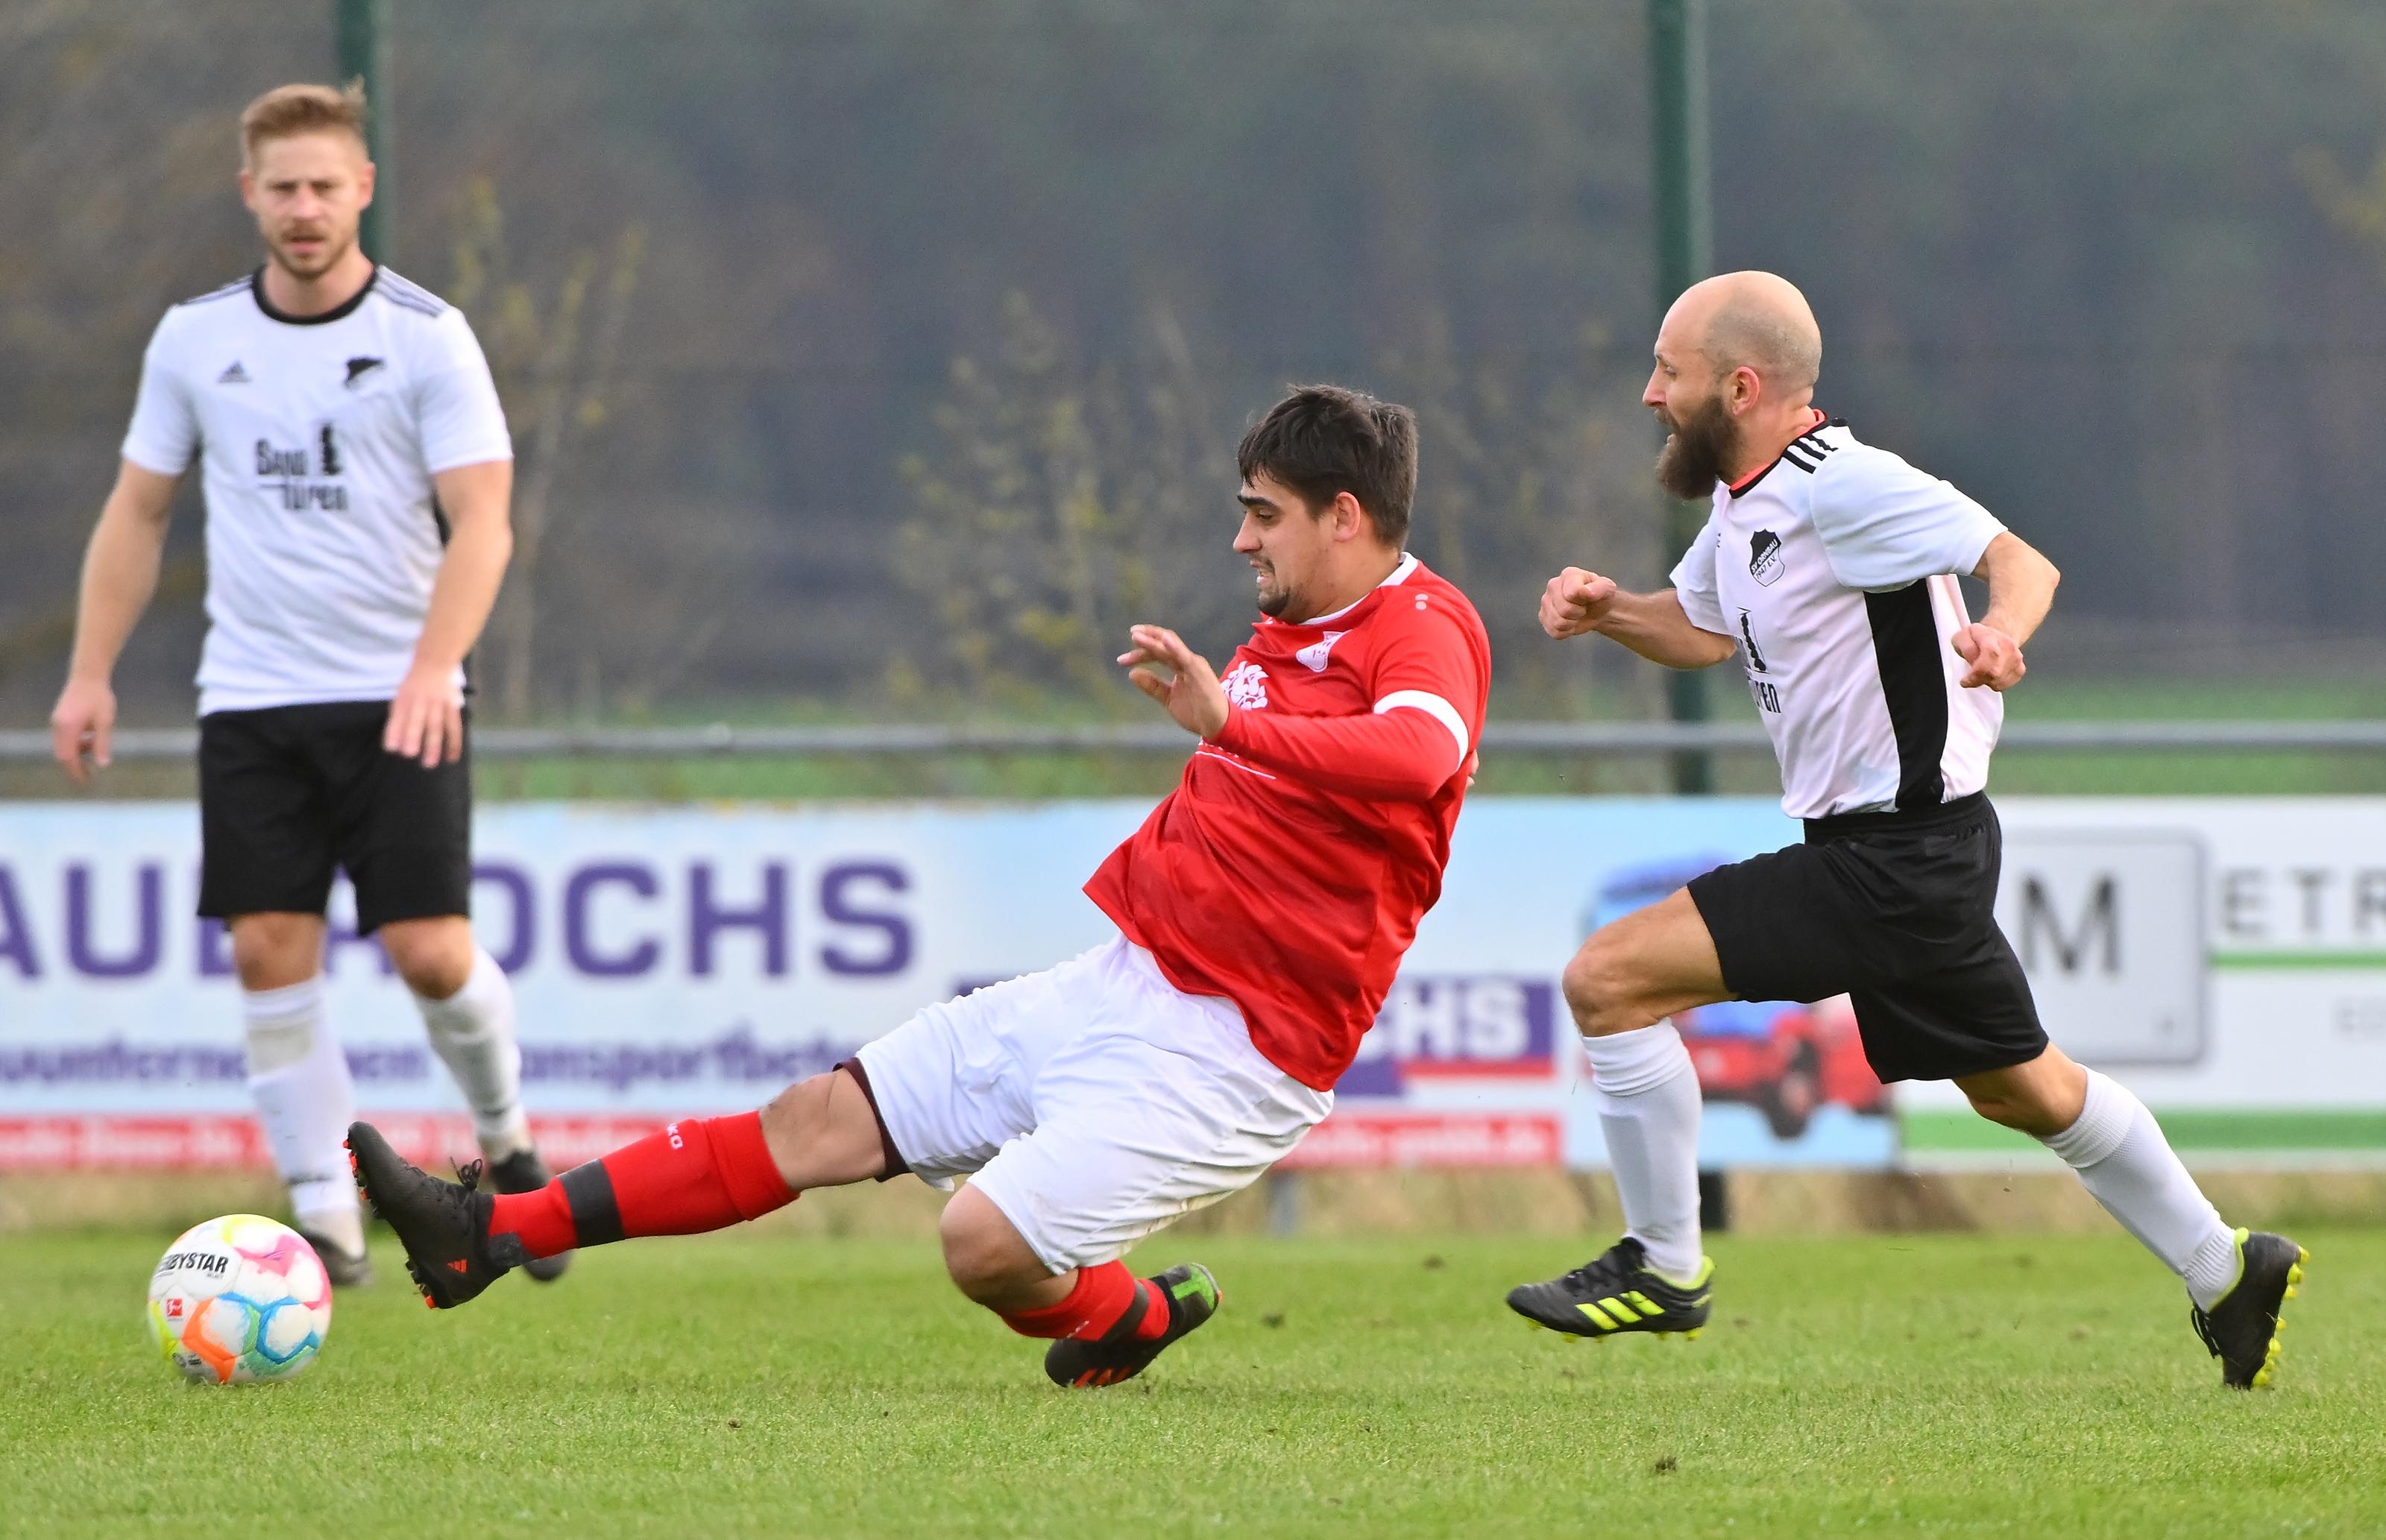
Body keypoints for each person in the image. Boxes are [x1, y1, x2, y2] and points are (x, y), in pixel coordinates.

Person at [347, 384, 1491, 1389]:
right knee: (815, 1116)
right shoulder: (1293, 621)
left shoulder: (1427, 629)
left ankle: (1129, 1312)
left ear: (1345, 516)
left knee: (979, 1244)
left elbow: (1420, 756)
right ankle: (486, 1233)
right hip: (1127, 983)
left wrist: (1229, 718)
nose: (1242, 538)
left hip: (1239, 1054)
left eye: (1263, 511)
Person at [1504, 272, 2303, 1390]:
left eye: (1668, 373)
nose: (1650, 395)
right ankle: (2230, 1271)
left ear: (1742, 385)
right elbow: (1698, 628)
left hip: (1899, 854)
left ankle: (1666, 1263)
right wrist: (1609, 615)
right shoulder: (1743, 507)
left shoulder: (1848, 483)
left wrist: (2002, 635)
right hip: (1901, 857)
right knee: (2022, 1088)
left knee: (1608, 980)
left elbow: (2022, 563)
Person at [47, 83, 564, 1289]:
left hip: (402, 694)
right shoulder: (194, 339)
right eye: (282, 187)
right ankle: (328, 1220)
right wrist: (89, 671)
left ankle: (507, 1136)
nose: (304, 208)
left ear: (364, 188)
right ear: (249, 194)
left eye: (326, 185)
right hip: (253, 698)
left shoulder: (429, 334)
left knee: (432, 955)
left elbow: (483, 519)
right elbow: (139, 509)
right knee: (270, 947)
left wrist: (436, 663)